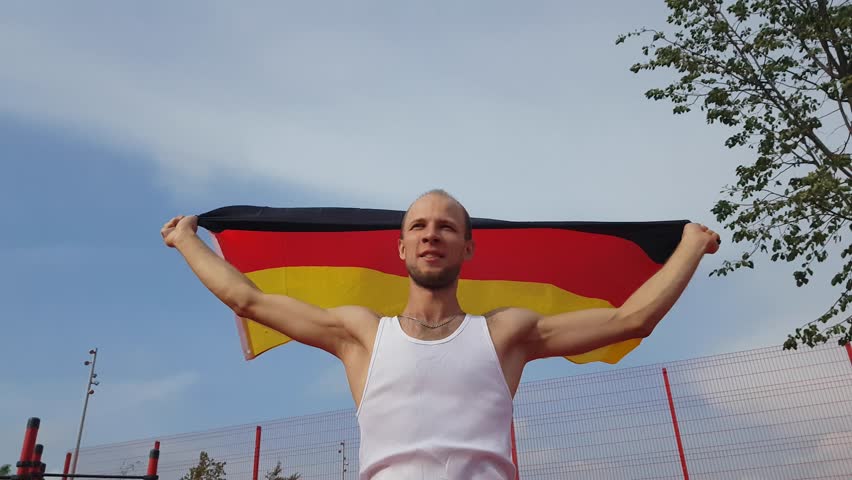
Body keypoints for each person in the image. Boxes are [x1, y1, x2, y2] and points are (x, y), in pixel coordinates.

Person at [161, 189, 720, 480]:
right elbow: (247, 299)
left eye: (448, 227)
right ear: (401, 248)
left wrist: (690, 247)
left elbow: (630, 320)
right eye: (419, 227)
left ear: (468, 247)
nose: (433, 235)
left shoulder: (506, 334)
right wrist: (187, 240)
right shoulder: (360, 334)